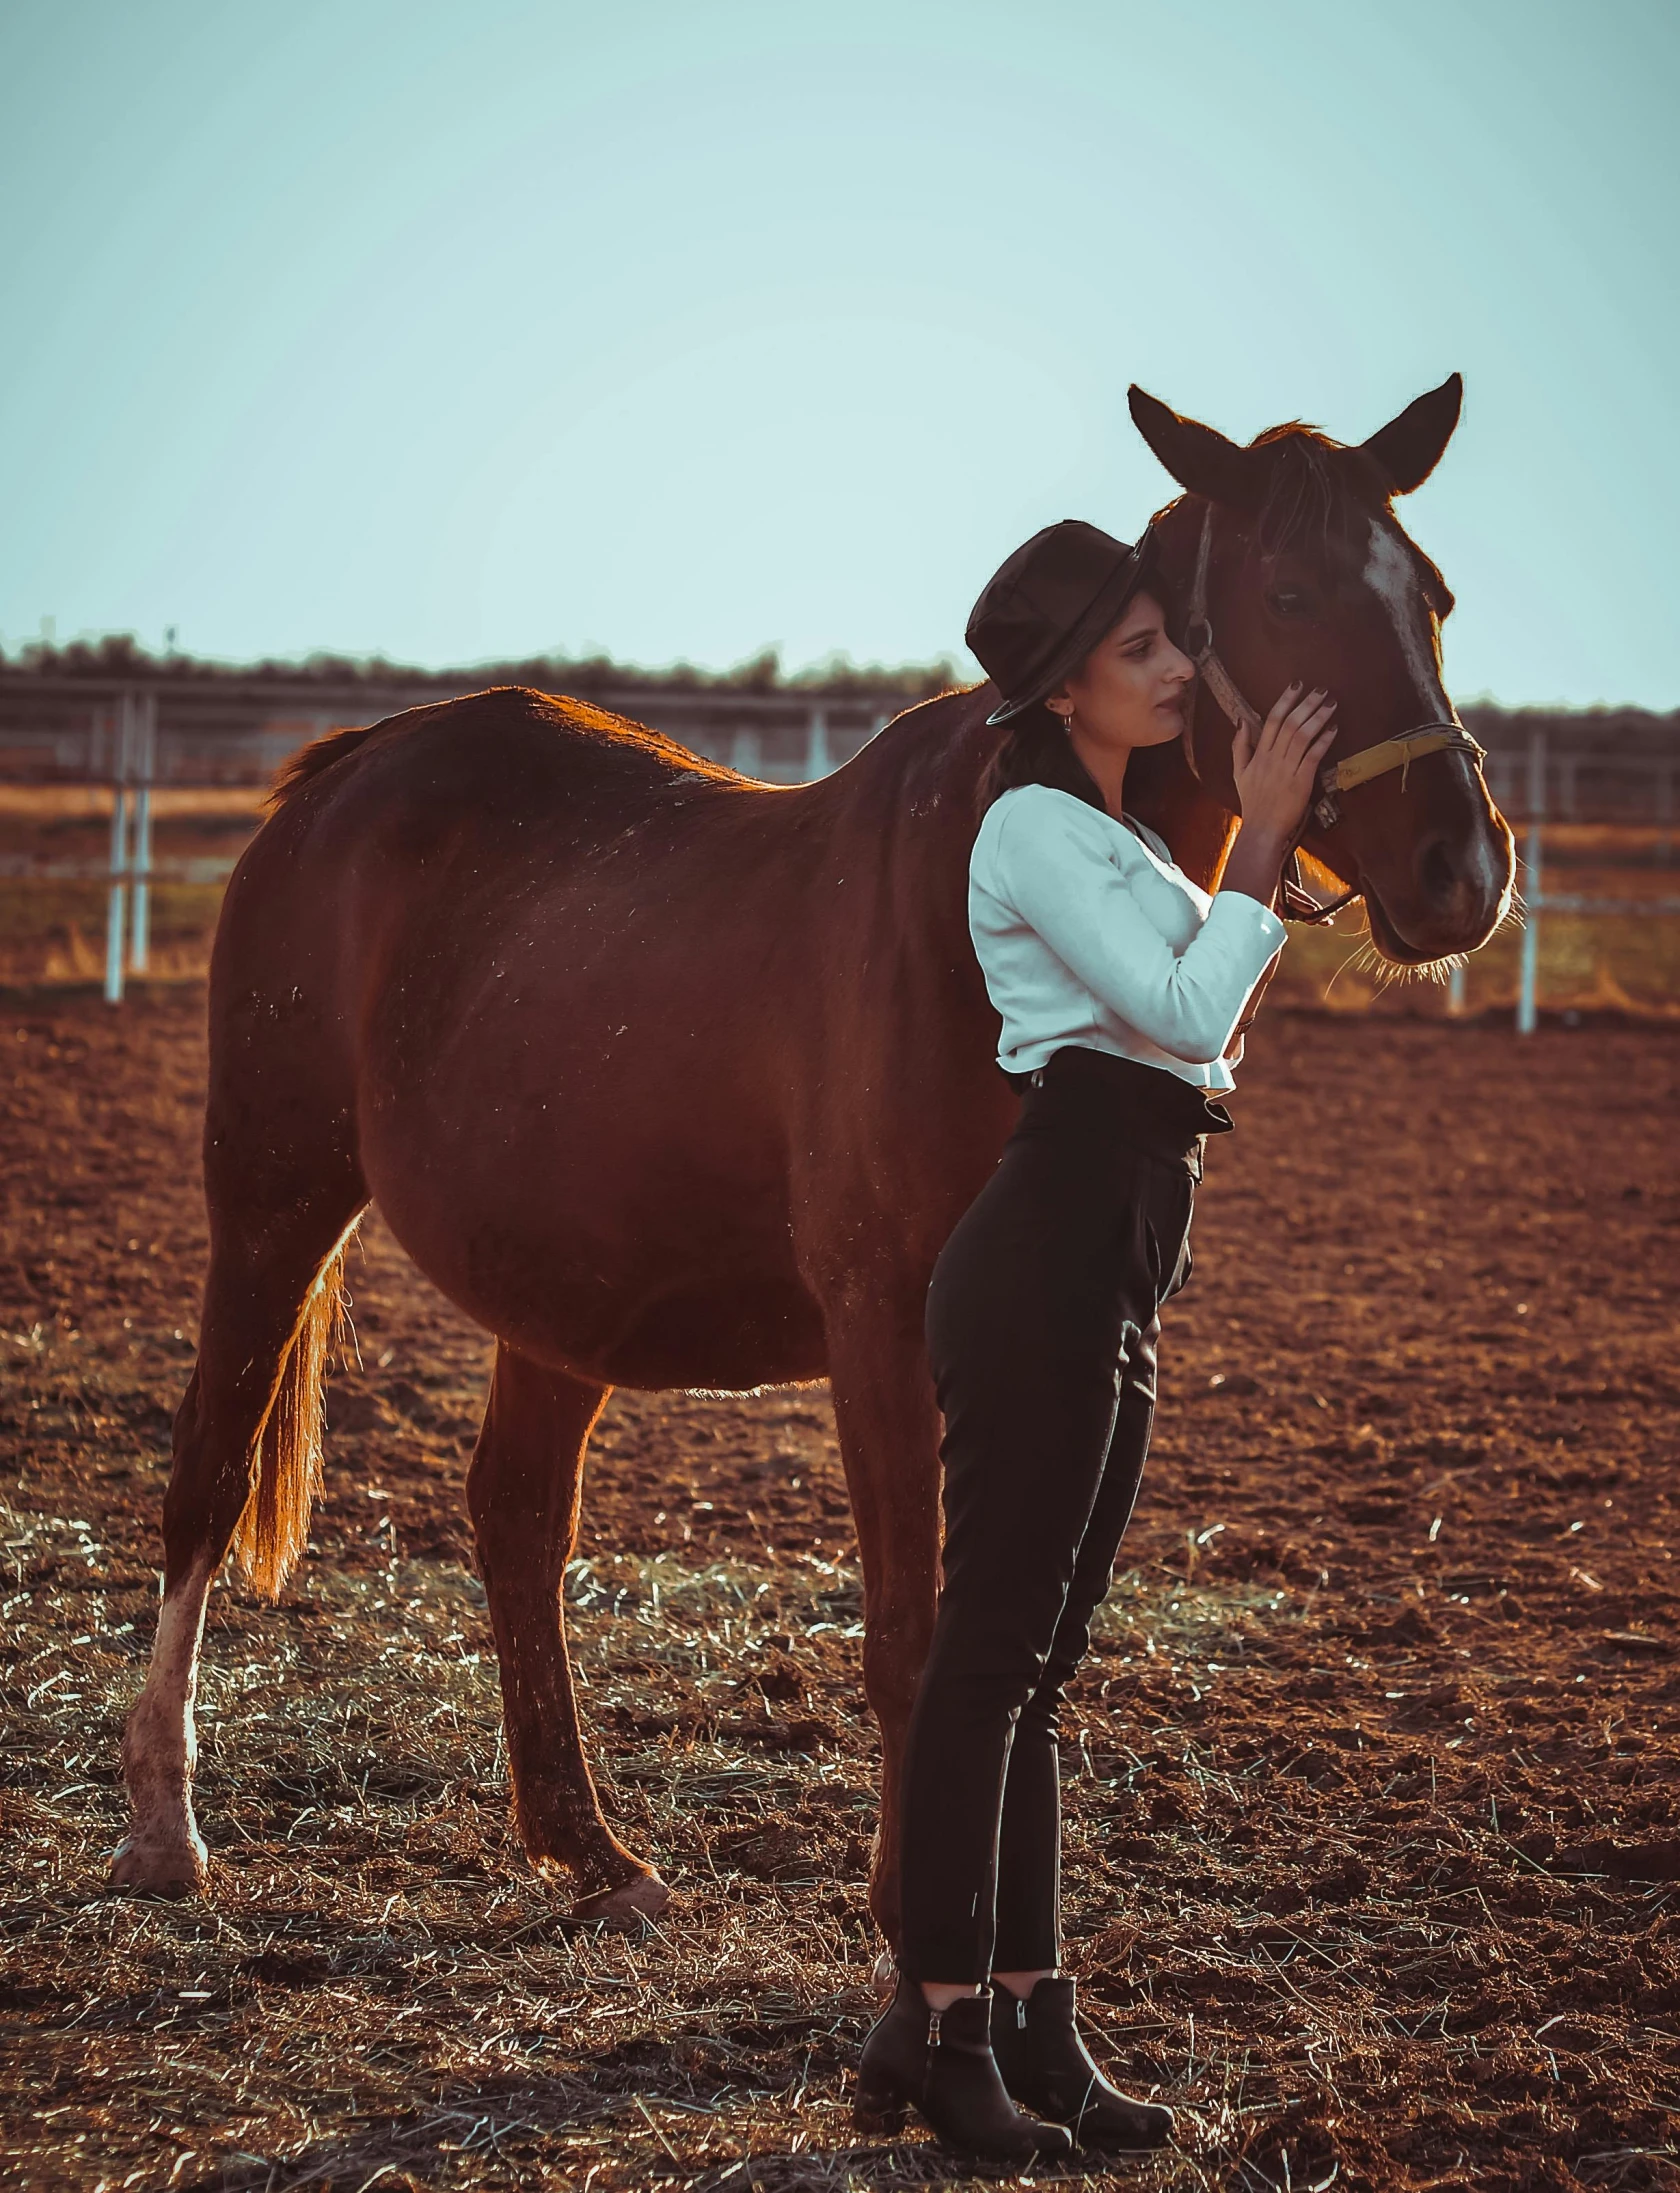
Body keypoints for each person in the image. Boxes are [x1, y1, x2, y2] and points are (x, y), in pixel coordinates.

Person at [855, 519, 1338, 2162]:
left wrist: (1250, 870)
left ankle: (1038, 2025)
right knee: (987, 1664)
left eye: (1170, 642)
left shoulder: (1116, 837)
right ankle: (935, 2031)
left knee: (1037, 1673)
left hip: (1119, 1236)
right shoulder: (1035, 827)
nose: (1181, 671)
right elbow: (1199, 1016)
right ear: (1066, 687)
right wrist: (1262, 843)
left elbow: (1199, 1019)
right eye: (1145, 652)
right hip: (1053, 1236)